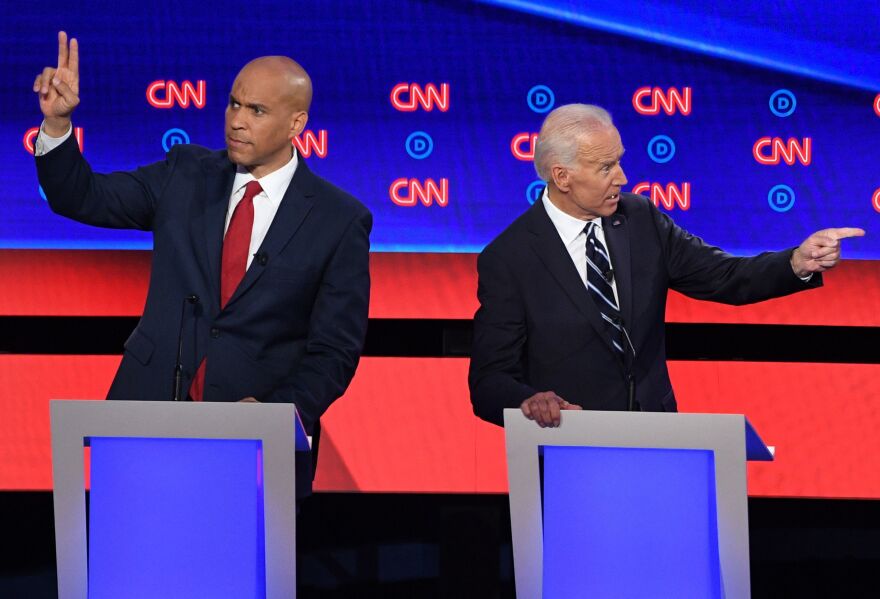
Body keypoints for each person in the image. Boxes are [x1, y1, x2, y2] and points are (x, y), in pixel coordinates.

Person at [33, 32, 372, 492]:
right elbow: (83, 197)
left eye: (256, 111)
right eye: (234, 104)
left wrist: (279, 410)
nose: (236, 121)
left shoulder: (338, 219)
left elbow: (334, 350)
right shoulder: (185, 173)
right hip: (147, 418)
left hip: (255, 446)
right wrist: (57, 126)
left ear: (296, 124)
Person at [469, 103, 864, 428]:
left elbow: (724, 276)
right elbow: (489, 382)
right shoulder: (511, 258)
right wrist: (529, 401)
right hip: (571, 448)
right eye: (606, 168)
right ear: (562, 177)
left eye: (619, 162)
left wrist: (796, 262)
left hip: (655, 436)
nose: (622, 178)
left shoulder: (639, 220)